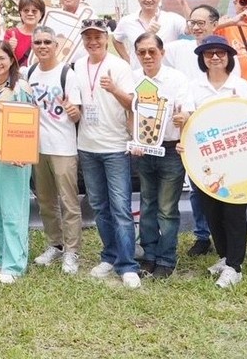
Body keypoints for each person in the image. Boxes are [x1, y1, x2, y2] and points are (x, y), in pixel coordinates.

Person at [182, 35, 247, 289]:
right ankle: (225, 257)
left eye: (220, 53)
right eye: (209, 53)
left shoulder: (241, 86)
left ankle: (235, 266)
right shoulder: (194, 87)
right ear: (202, 58)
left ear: (229, 57)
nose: (215, 57)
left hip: (236, 161)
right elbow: (187, 120)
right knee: (212, 211)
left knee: (234, 212)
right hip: (205, 162)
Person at [75, 17, 142, 289]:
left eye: (98, 36)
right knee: (100, 206)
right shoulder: (77, 66)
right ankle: (110, 256)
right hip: (87, 146)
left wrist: (114, 89)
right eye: (88, 37)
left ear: (106, 38)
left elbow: (133, 103)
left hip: (115, 147)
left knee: (120, 208)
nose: (93, 41)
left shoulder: (120, 66)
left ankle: (128, 265)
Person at [128, 33, 191, 279]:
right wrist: (134, 140)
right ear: (136, 54)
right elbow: (129, 113)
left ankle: (166, 259)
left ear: (162, 53)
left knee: (167, 209)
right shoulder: (133, 78)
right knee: (147, 205)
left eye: (152, 51)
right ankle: (149, 255)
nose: (147, 56)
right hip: (143, 151)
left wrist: (182, 117)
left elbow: (187, 110)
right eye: (141, 52)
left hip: (171, 151)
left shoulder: (177, 79)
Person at [27, 25, 83, 274]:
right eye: (38, 42)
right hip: (37, 148)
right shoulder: (29, 72)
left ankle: (72, 250)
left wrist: (73, 111)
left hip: (63, 147)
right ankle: (55, 244)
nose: (42, 46)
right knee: (45, 201)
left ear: (56, 45)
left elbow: (77, 113)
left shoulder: (67, 74)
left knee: (69, 202)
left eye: (47, 42)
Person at [0, 40, 34, 284]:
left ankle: (14, 262)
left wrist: (23, 151)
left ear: (11, 60)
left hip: (14, 149)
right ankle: (1, 253)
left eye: (2, 58)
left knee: (13, 206)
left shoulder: (21, 87)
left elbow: (30, 122)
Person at [113, 0, 189, 67]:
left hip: (166, 73)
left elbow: (190, 30)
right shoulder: (127, 21)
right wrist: (127, 60)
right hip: (139, 74)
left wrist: (184, 3)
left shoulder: (172, 19)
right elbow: (116, 39)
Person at [4, 0, 46, 65]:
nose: (30, 13)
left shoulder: (47, 35)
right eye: (26, 10)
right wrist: (10, 49)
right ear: (20, 13)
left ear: (41, 14)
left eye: (34, 11)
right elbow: (4, 62)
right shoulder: (11, 33)